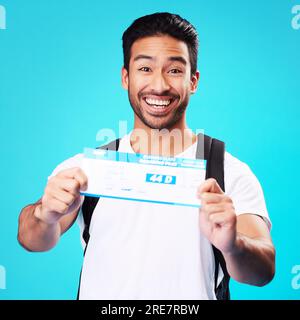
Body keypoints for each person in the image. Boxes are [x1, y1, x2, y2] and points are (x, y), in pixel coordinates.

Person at [17, 12, 275, 300]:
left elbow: (263, 270)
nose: (160, 85)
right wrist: (44, 214)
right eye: (145, 69)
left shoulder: (229, 172)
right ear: (126, 78)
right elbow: (32, 240)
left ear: (193, 81)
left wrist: (232, 245)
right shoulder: (88, 169)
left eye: (175, 70)